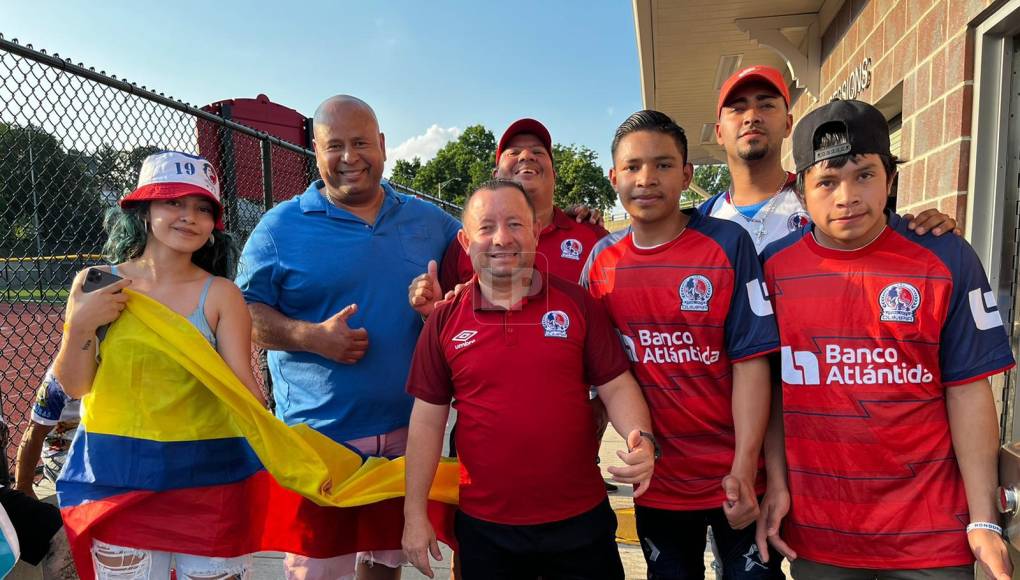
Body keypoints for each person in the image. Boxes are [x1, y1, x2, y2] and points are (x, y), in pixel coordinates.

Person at [760, 99, 1014, 580]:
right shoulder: (772, 268)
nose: (847, 196)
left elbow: (967, 390)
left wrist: (983, 518)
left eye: (864, 175)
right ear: (800, 192)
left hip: (932, 534)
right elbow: (771, 390)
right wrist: (777, 483)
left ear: (890, 180)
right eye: (827, 181)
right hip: (821, 533)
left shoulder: (945, 256)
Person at [236, 95, 461, 580]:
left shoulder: (431, 222)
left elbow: (494, 242)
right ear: (315, 152)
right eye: (334, 145)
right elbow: (242, 314)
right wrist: (310, 336)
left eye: (361, 142)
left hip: (407, 438)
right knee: (320, 570)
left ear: (382, 145)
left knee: (384, 566)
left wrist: (568, 219)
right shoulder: (279, 228)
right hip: (320, 441)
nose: (349, 156)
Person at [402, 179, 656, 580]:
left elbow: (616, 384)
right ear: (466, 242)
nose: (502, 238)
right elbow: (427, 422)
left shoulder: (578, 304)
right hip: (487, 529)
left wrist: (641, 437)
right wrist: (414, 514)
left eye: (516, 224)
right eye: (486, 227)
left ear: (536, 231)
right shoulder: (444, 321)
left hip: (580, 521)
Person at [583, 110, 782, 579]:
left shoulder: (726, 243)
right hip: (660, 485)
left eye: (664, 164)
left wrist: (745, 466)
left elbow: (752, 364)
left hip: (736, 478)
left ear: (688, 173)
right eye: (632, 167)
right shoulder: (600, 261)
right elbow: (596, 376)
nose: (646, 178)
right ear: (613, 177)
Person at [52, 150, 266, 578]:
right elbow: (76, 388)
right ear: (144, 211)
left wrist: (290, 451)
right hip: (119, 479)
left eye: (202, 208)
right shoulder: (100, 282)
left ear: (213, 225)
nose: (189, 216)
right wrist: (79, 328)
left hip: (209, 483)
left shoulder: (222, 294)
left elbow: (244, 389)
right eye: (173, 202)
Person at [704, 65, 957, 254]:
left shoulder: (822, 198)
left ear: (788, 123)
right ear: (718, 132)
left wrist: (928, 231)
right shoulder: (700, 221)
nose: (752, 117)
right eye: (738, 108)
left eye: (766, 105)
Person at [14, 368, 79, 500]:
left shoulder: (123, 363)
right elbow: (34, 433)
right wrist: (24, 488)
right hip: (62, 447)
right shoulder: (59, 379)